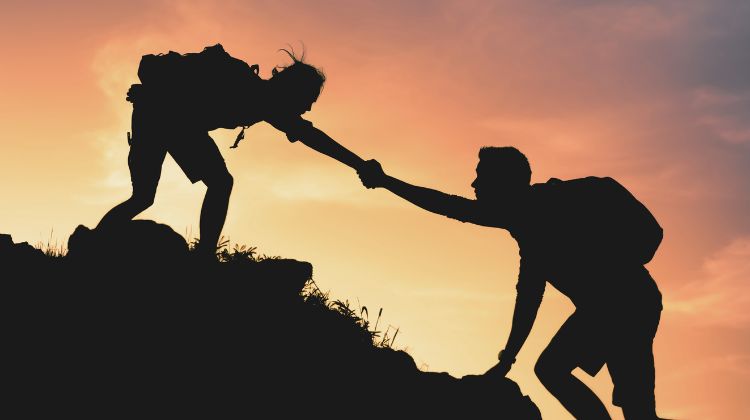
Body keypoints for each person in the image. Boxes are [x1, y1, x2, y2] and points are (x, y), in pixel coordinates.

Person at [358, 147, 663, 419]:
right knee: (554, 371)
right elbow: (528, 298)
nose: (474, 185)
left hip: (631, 305)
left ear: (503, 183)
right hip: (607, 310)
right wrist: (508, 359)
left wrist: (386, 182)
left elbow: (452, 206)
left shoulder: (550, 205)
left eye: (481, 178)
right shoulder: (528, 230)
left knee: (632, 410)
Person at [97, 44, 369, 260]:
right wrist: (152, 95)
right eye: (307, 100)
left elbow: (313, 137)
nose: (307, 109)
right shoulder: (240, 80)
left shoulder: (268, 105)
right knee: (158, 194)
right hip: (161, 118)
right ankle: (99, 244)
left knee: (156, 195)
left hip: (173, 123)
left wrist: (359, 164)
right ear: (292, 91)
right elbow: (185, 83)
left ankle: (199, 254)